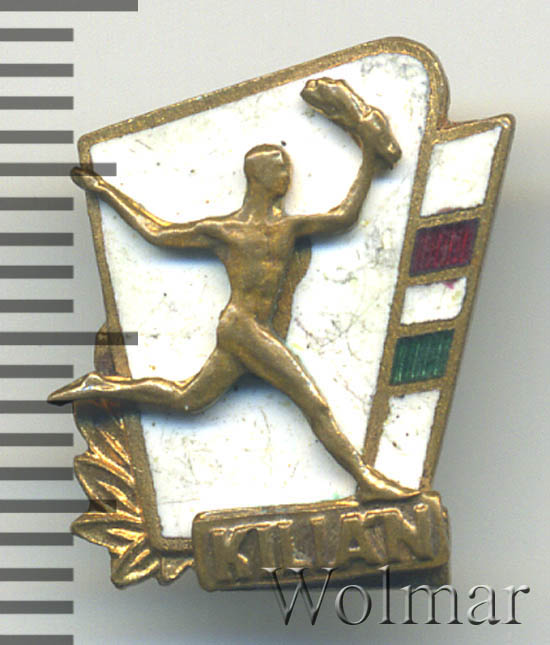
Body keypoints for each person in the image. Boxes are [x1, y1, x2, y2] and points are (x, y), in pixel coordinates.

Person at [49, 78, 414, 502]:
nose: (288, 176)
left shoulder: (289, 227)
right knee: (313, 404)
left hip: (250, 331)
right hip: (243, 328)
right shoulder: (226, 231)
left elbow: (344, 216)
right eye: (280, 169)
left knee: (187, 399)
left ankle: (102, 387)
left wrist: (368, 159)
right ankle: (366, 481)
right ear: (258, 177)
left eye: (287, 169)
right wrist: (107, 191)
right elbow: (157, 232)